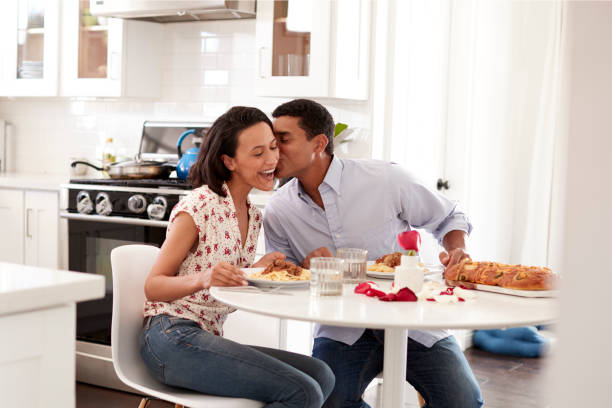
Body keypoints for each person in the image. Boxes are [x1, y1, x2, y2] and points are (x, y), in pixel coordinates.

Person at [263, 99, 484, 408]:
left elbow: (449, 217)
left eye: (283, 140)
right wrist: (303, 265)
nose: (274, 151)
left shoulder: (384, 179)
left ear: (319, 143)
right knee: (329, 404)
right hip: (340, 326)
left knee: (463, 402)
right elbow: (279, 270)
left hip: (410, 317)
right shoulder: (279, 209)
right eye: (272, 142)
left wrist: (457, 248)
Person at [140, 106, 335, 408]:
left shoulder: (252, 214)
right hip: (171, 337)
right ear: (229, 161)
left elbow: (230, 278)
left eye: (273, 147)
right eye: (258, 154)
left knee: (322, 374)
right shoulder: (200, 206)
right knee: (303, 392)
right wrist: (203, 278)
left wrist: (261, 269)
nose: (272, 160)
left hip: (207, 336)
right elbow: (153, 286)